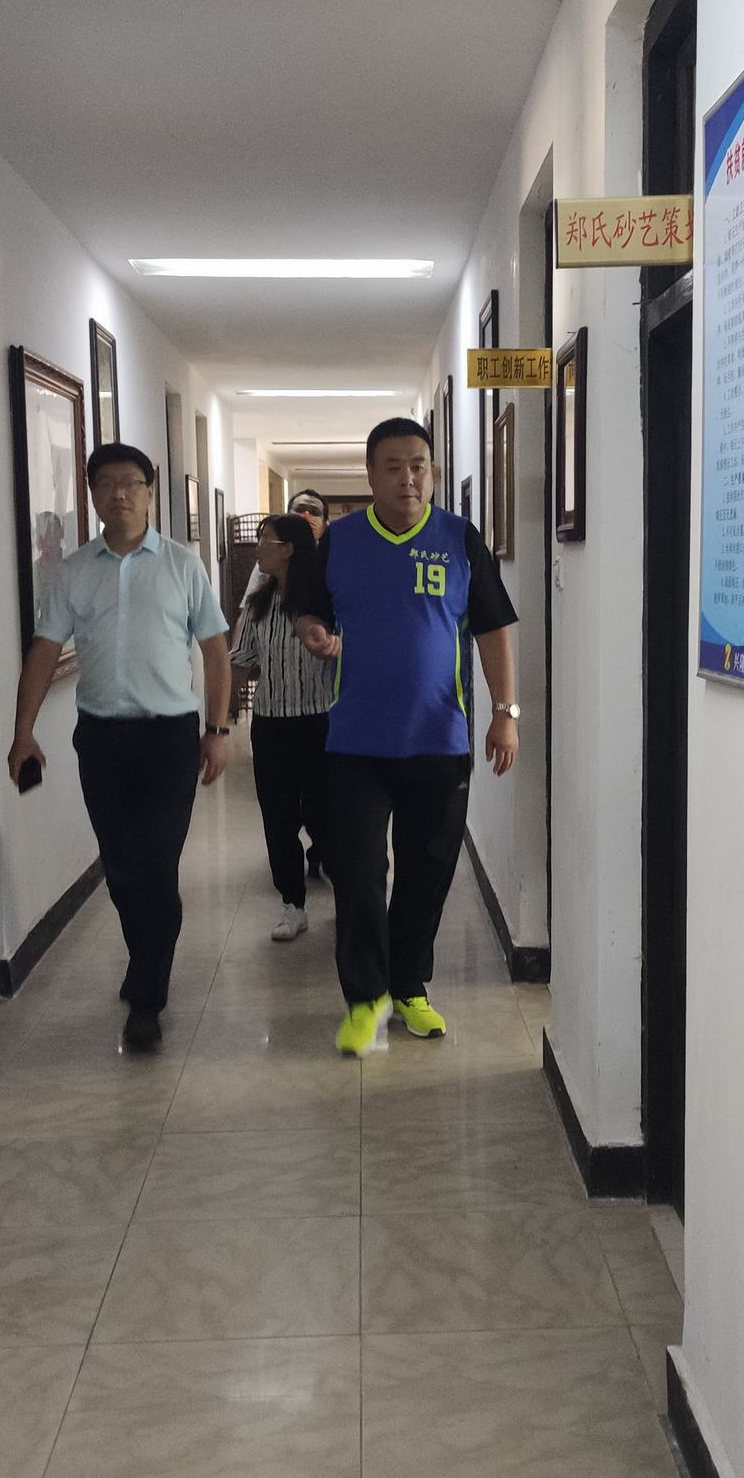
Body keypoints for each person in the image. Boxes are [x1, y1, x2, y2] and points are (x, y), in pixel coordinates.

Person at [290, 416, 520, 1056]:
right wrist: (312, 631)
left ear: (433, 472)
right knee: (359, 874)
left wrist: (506, 711)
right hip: (355, 744)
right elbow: (308, 610)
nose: (407, 478)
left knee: (428, 871)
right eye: (392, 466)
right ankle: (367, 999)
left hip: (438, 741)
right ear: (370, 475)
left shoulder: (459, 539)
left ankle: (410, 985)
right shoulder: (339, 541)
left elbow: (493, 628)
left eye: (418, 465)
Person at [5, 442, 232, 1053]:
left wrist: (217, 731)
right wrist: (24, 731)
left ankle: (147, 998)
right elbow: (45, 650)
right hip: (101, 738)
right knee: (123, 866)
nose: (119, 494)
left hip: (169, 738)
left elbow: (215, 651)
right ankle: (145, 962)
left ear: (150, 491)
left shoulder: (183, 565)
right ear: (92, 495)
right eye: (105, 484)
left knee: (156, 865)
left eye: (131, 482)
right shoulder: (73, 571)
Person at [229, 514, 335, 941]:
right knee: (278, 818)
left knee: (325, 815)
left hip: (320, 723)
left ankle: (344, 888)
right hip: (271, 725)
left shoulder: (325, 599)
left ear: (288, 549)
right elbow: (241, 660)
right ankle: (293, 904)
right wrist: (219, 719)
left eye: (265, 541)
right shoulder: (259, 603)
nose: (257, 549)